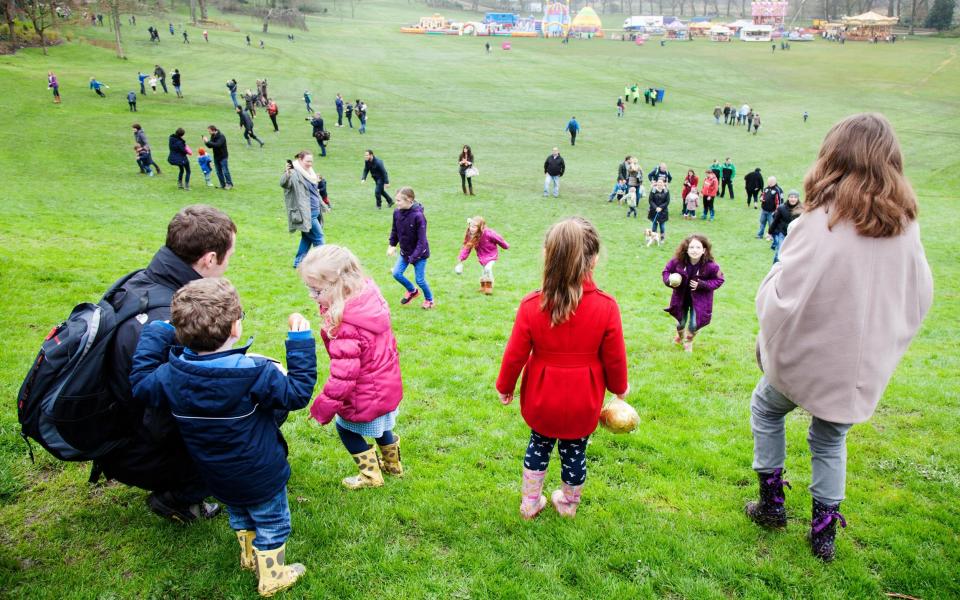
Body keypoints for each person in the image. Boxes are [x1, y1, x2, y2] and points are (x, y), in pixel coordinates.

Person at [747, 113, 933, 562]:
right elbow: (920, 294)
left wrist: (770, 285)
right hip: (858, 363)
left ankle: (772, 504)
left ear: (836, 155)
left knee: (766, 406)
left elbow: (785, 289)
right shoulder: (905, 227)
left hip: (808, 354)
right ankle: (823, 534)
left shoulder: (820, 219)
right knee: (830, 439)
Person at [130, 278, 315, 596]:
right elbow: (297, 394)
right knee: (272, 522)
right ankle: (272, 576)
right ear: (235, 329)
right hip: (261, 472)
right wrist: (300, 343)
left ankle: (248, 556)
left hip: (214, 472)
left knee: (240, 510)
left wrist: (156, 333)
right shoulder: (255, 372)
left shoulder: (171, 374)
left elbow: (141, 383)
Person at [91, 205, 237, 523]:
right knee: (247, 421)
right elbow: (170, 417)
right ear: (209, 259)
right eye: (229, 255)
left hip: (114, 434)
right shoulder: (173, 318)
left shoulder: (139, 282)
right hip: (137, 446)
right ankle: (176, 495)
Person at [496, 217, 628, 519]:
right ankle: (568, 505)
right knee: (574, 452)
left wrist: (506, 387)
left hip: (542, 397)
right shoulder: (607, 306)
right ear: (594, 259)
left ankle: (530, 503)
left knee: (538, 446)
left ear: (547, 255)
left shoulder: (532, 304)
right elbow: (616, 359)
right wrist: (620, 389)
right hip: (584, 399)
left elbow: (514, 355)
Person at [299, 245, 404, 489]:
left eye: (316, 290)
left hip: (364, 393)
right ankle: (393, 466)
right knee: (382, 426)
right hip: (385, 384)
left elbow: (342, 377)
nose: (311, 296)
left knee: (346, 429)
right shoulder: (366, 297)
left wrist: (323, 407)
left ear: (338, 286)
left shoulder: (346, 325)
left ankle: (370, 477)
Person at [662, 235, 724, 352]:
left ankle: (689, 341)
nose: (694, 250)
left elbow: (719, 280)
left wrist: (702, 284)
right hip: (681, 299)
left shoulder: (712, 266)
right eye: (691, 247)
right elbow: (666, 272)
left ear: (704, 250)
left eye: (698, 247)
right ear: (687, 249)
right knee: (681, 323)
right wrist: (669, 280)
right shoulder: (677, 262)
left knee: (694, 324)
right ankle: (679, 337)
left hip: (700, 302)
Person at [387, 187, 433, 309]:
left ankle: (429, 300)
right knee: (396, 273)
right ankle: (412, 291)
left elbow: (422, 242)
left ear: (409, 200)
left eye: (399, 201)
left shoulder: (419, 216)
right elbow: (395, 230)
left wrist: (412, 258)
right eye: (396, 200)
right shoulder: (397, 213)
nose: (396, 203)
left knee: (420, 280)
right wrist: (392, 245)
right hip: (405, 252)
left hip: (420, 254)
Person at [283, 151, 329, 268]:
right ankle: (324, 263)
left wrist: (323, 205)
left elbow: (314, 193)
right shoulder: (294, 173)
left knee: (307, 239)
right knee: (319, 237)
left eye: (311, 161)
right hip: (306, 213)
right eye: (307, 161)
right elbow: (284, 183)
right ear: (300, 160)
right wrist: (287, 174)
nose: (310, 163)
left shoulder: (310, 173)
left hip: (315, 210)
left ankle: (298, 262)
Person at [456, 216, 509, 295]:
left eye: (474, 227)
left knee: (488, 268)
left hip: (491, 254)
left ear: (480, 227)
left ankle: (489, 286)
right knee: (484, 270)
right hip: (482, 256)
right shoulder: (471, 235)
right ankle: (484, 286)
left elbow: (498, 239)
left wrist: (505, 245)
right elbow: (467, 247)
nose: (472, 229)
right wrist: (461, 257)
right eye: (471, 226)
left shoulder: (488, 233)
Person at [768, 190, 801, 263]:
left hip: (795, 235)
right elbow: (775, 221)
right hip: (783, 233)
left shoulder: (802, 209)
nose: (793, 199)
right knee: (779, 252)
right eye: (791, 197)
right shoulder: (781, 208)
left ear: (798, 199)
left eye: (795, 197)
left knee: (793, 254)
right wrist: (770, 232)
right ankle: (775, 268)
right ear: (788, 198)